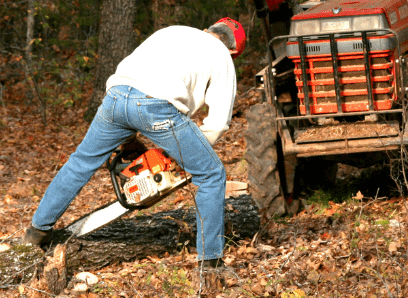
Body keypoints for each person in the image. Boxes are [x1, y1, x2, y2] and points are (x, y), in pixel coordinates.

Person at [23, 18, 246, 272]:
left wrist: (129, 141)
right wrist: (189, 156)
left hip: (115, 97)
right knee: (211, 174)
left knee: (80, 163)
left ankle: (37, 231)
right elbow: (217, 123)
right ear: (233, 50)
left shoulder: (174, 31)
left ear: (208, 30)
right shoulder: (222, 56)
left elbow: (135, 83)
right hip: (157, 107)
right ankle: (211, 262)